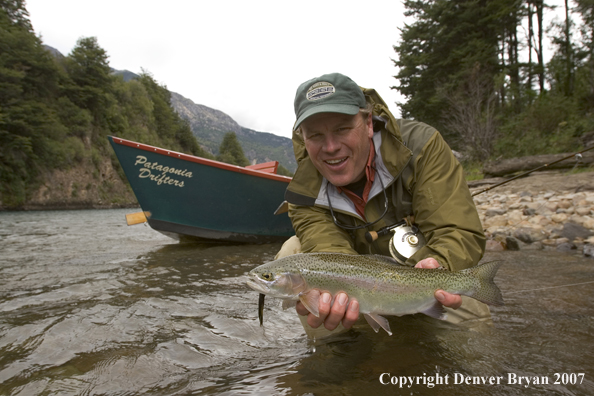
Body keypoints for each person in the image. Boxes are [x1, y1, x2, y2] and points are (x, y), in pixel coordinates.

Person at [277, 72, 490, 335]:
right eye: (316, 135)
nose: (330, 147)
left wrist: (436, 264)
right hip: (361, 287)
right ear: (303, 137)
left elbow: (457, 230)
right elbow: (330, 255)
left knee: (471, 336)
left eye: (342, 129)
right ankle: (339, 353)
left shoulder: (422, 147)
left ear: (368, 122)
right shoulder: (302, 190)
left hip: (421, 274)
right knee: (292, 252)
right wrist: (351, 294)